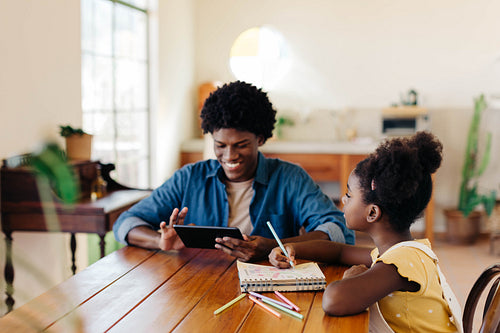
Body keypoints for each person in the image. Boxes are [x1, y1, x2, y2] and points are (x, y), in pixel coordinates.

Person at [113, 81, 354, 262]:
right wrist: (160, 241)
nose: (229, 156)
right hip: (199, 286)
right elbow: (125, 223)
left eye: (241, 145)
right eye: (220, 146)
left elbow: (336, 231)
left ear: (260, 138)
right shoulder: (189, 178)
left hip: (270, 288)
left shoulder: (290, 178)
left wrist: (274, 246)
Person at [269, 131, 461, 333]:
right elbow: (339, 252)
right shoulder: (399, 251)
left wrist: (353, 277)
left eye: (349, 195)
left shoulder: (401, 262)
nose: (343, 200)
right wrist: (293, 248)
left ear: (372, 213)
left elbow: (334, 300)